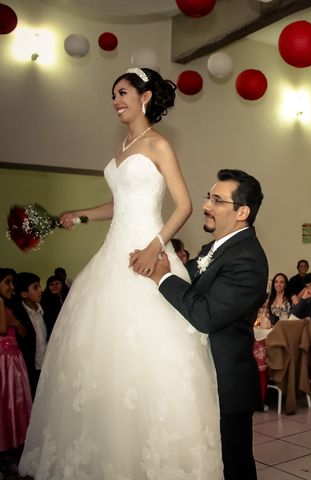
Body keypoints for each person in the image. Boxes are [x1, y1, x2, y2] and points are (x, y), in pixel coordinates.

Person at [19, 67, 223, 479]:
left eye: (123, 92)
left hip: (147, 254)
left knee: (150, 357)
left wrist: (154, 247)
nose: (116, 101)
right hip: (112, 254)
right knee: (99, 358)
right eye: (113, 95)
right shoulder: (123, 147)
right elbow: (119, 204)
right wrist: (80, 215)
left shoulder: (158, 144)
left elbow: (182, 205)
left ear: (145, 97)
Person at [147, 168, 268, 480]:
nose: (206, 205)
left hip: (226, 383)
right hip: (200, 379)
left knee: (234, 465)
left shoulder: (248, 259)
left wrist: (163, 277)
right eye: (208, 197)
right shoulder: (212, 250)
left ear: (242, 212)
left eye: (217, 200)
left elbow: (206, 316)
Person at [0, 269, 31, 468]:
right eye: (7, 282)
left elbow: (21, 330)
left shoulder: (9, 305)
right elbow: (2, 329)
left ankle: (12, 446)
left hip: (13, 357)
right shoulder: (0, 303)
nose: (11, 287)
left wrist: (16, 321)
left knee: (14, 402)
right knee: (7, 402)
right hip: (4, 360)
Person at [14, 272, 47, 397]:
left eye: (39, 286)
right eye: (35, 287)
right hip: (31, 368)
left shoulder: (46, 310)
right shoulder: (19, 315)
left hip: (48, 365)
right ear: (24, 293)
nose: (40, 290)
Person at [40, 275, 67, 340]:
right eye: (51, 284)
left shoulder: (68, 297)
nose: (55, 287)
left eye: (57, 283)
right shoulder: (44, 301)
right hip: (53, 333)